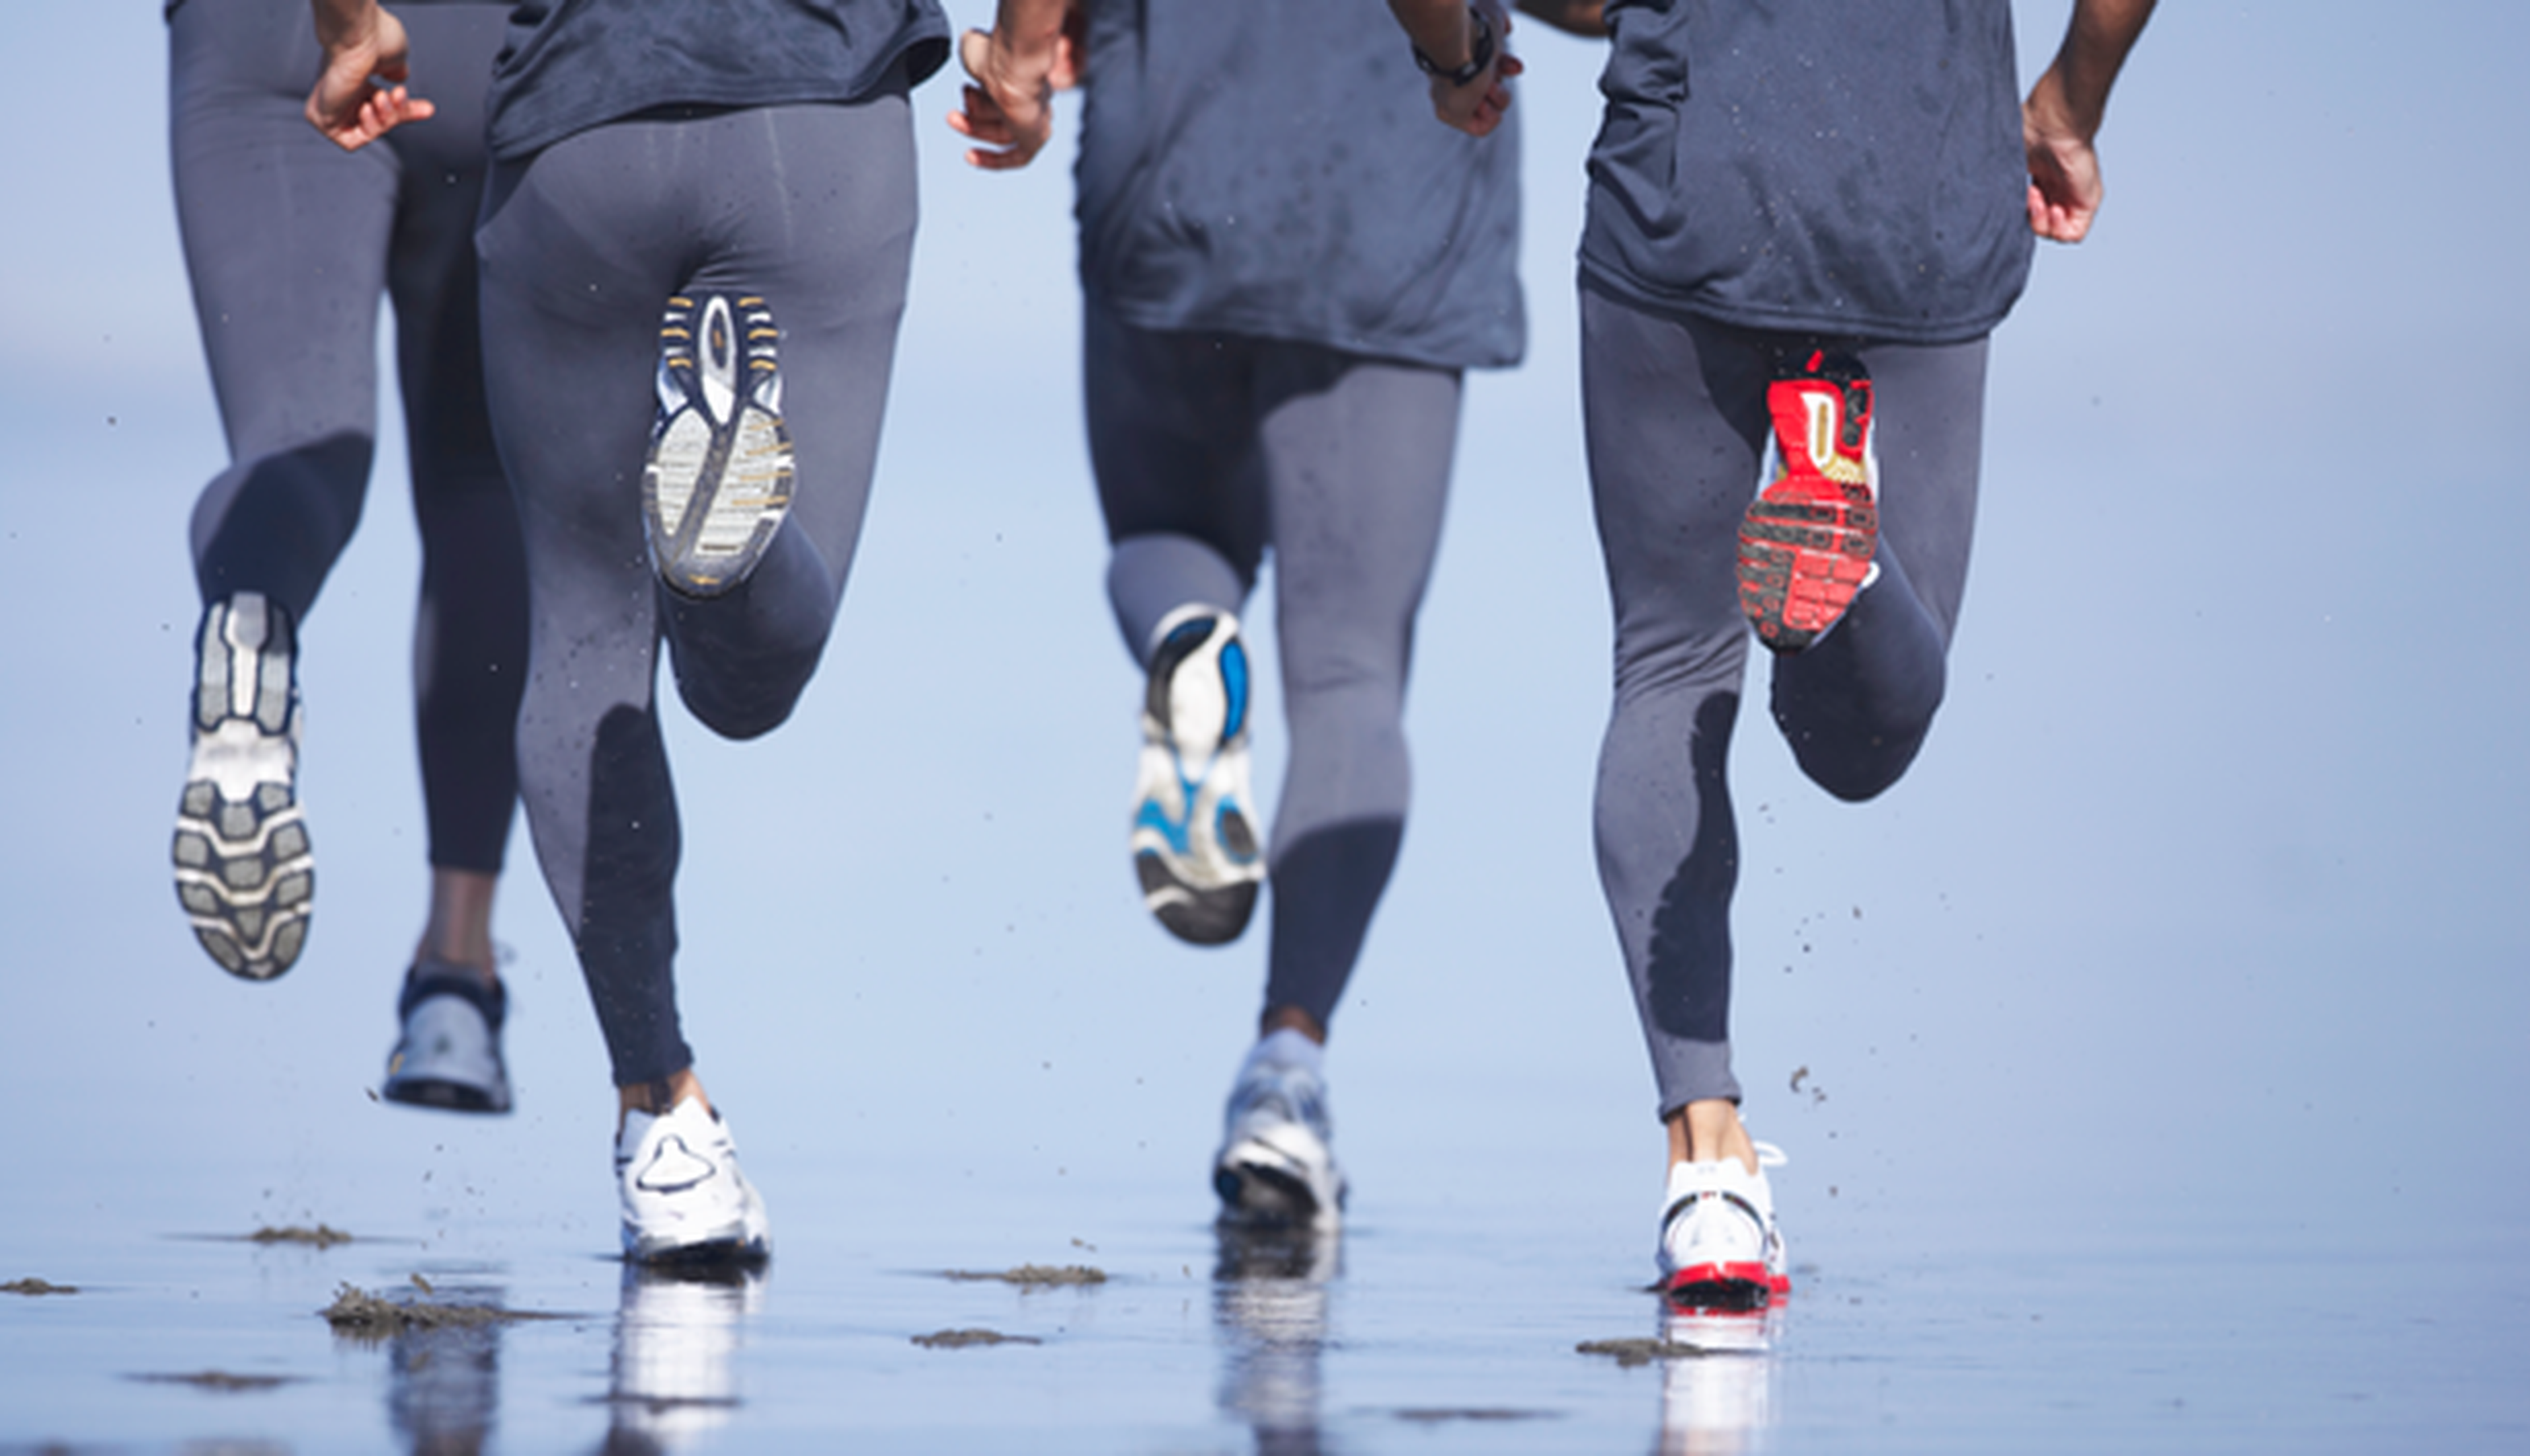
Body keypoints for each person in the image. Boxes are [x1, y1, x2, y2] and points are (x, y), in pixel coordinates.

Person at [1388, 0, 2158, 1304]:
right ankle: (1840, 555)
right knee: (1863, 746)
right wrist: (2073, 96)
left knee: (1668, 669)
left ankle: (1709, 1178)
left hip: (1684, 186)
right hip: (1920, 185)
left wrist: (1457, 52)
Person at [305, 0, 949, 1261]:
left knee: (586, 629)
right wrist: (1029, 54)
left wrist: (348, 27)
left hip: (572, 131)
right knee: (749, 683)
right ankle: (728, 555)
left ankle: (660, 1117)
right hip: (820, 110)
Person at [951, 2, 1607, 1227]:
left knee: (1165, 541)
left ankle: (1185, 640)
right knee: (1352, 673)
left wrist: (1027, 63)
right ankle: (1285, 1074)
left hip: (1172, 160)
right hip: (1398, 194)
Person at [168, 0, 526, 1114]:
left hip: (260, 38)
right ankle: (455, 983)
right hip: (480, 48)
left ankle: (252, 615)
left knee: (296, 440)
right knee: (480, 484)